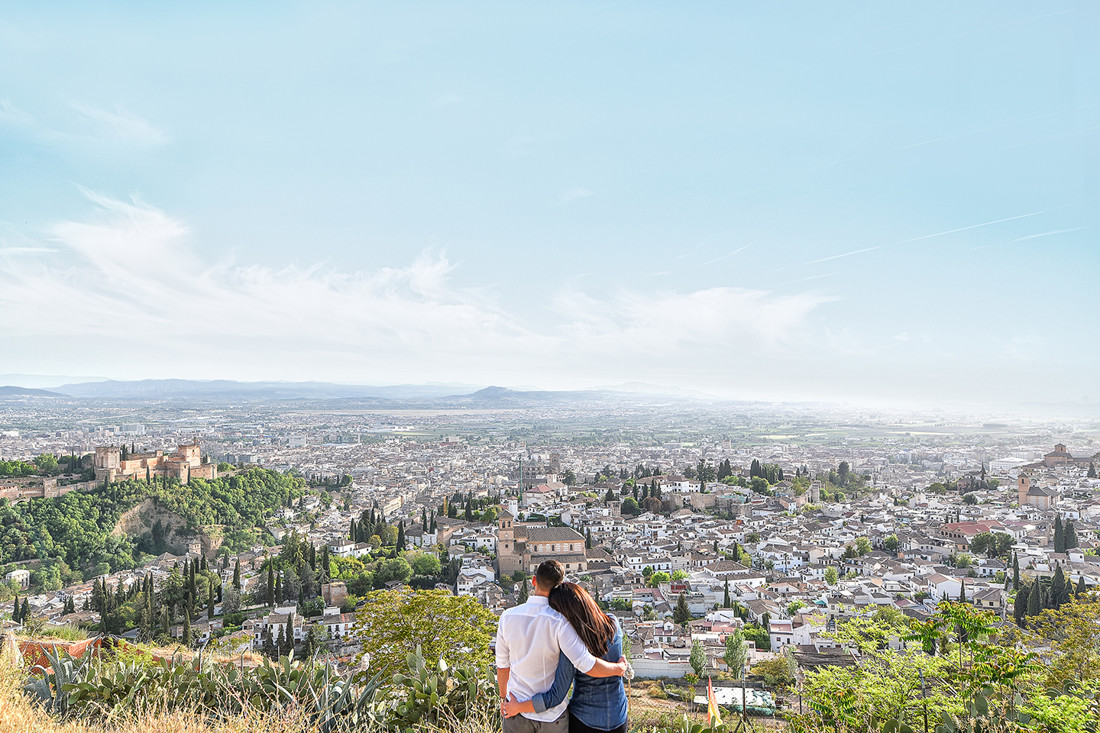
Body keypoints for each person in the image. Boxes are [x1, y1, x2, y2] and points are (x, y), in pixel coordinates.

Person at [496, 561, 628, 733]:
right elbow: (587, 663)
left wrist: (507, 700)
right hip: (613, 716)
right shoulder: (611, 625)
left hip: (574, 717)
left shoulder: (508, 617)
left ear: (534, 580)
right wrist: (619, 668)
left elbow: (503, 666)